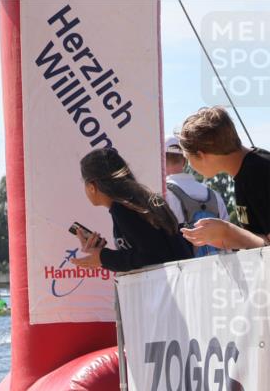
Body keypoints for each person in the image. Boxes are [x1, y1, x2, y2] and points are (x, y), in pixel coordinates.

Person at [71, 147, 193, 272]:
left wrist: (104, 257)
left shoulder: (123, 208)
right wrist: (101, 253)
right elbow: (150, 250)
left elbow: (152, 256)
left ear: (92, 186)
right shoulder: (135, 201)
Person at [175, 106, 270, 250]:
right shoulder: (248, 170)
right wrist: (227, 238)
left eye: (187, 158)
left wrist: (227, 232)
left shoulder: (259, 173)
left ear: (201, 155)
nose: (189, 165)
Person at [163, 136, 229, 258]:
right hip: (219, 271)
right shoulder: (214, 195)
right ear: (184, 161)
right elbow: (229, 236)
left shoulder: (163, 194)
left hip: (184, 273)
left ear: (161, 160)